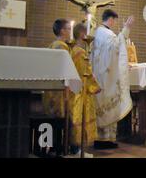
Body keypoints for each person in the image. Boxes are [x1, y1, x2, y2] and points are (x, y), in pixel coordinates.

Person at [91, 9, 134, 149]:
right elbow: (118, 46)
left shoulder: (97, 32)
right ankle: (106, 141)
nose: (115, 24)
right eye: (114, 21)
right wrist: (126, 28)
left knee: (100, 106)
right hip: (107, 79)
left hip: (100, 75)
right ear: (111, 19)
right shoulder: (108, 34)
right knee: (109, 104)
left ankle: (100, 139)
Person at [69, 23, 101, 158]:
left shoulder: (73, 50)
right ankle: (76, 150)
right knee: (79, 120)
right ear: (82, 35)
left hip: (72, 90)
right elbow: (85, 74)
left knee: (75, 120)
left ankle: (75, 149)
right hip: (80, 92)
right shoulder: (80, 52)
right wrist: (95, 87)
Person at [43, 18, 72, 118]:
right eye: (69, 29)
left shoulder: (53, 44)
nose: (70, 31)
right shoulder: (61, 46)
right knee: (58, 119)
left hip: (51, 85)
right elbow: (64, 69)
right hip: (58, 87)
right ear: (62, 31)